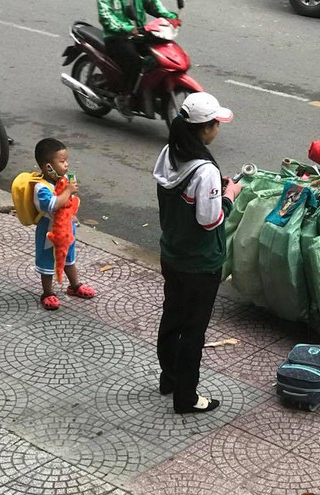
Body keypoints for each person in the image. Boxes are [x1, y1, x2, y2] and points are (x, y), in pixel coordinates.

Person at [152, 92, 241, 413]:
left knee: (172, 316)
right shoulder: (203, 170)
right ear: (205, 129)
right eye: (216, 124)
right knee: (193, 330)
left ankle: (169, 377)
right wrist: (229, 195)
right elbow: (210, 219)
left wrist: (217, 188)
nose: (218, 129)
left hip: (172, 253)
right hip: (200, 263)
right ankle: (186, 397)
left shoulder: (169, 152)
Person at [33, 138, 96, 310]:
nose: (66, 165)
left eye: (66, 160)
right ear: (48, 167)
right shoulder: (41, 187)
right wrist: (68, 191)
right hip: (49, 233)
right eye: (62, 162)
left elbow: (68, 204)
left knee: (68, 257)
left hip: (67, 230)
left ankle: (74, 285)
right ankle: (47, 292)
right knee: (47, 262)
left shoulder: (61, 181)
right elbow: (53, 204)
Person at [97, 0, 179, 118]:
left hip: (139, 34)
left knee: (158, 58)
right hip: (116, 37)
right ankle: (124, 97)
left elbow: (152, 4)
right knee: (134, 62)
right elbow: (106, 16)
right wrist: (126, 28)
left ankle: (152, 93)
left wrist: (169, 16)